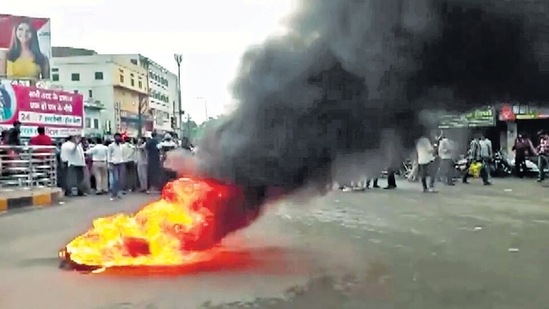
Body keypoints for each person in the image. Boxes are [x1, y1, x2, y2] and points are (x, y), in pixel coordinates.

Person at [107, 133, 125, 200]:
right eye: (117, 137)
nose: (118, 138)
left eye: (119, 137)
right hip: (114, 164)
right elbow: (108, 155)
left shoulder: (121, 146)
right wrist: (109, 164)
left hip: (120, 163)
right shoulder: (111, 146)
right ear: (114, 138)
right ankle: (113, 195)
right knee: (116, 179)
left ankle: (118, 193)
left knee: (120, 180)